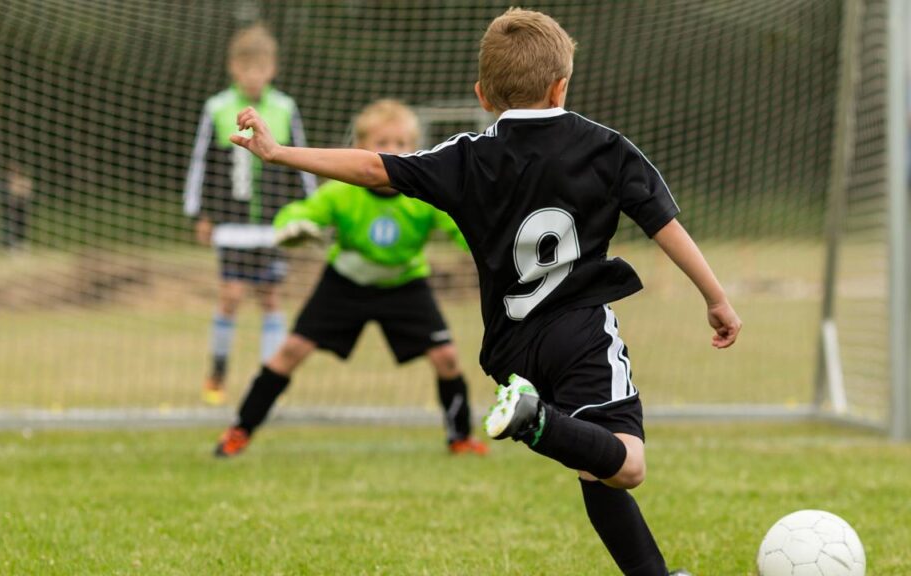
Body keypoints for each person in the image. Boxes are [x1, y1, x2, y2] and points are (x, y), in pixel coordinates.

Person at [226, 8, 742, 574]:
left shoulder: (466, 156)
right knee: (629, 464)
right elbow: (664, 225)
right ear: (561, 85)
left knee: (592, 463)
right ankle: (534, 420)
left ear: (482, 94)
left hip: (509, 345)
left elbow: (374, 168)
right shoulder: (606, 148)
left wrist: (278, 152)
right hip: (579, 332)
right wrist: (715, 298)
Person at [213, 100, 488, 458]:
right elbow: (297, 213)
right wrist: (292, 228)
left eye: (402, 143)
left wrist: (490, 246)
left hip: (404, 285)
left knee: (447, 357)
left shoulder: (425, 193)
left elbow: (464, 230)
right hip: (344, 283)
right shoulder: (341, 190)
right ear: (360, 147)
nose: (393, 151)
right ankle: (239, 431)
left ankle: (460, 438)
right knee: (291, 352)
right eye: (382, 142)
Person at [183, 23, 316, 405]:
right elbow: (202, 162)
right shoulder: (217, 108)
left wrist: (308, 211)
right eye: (246, 68)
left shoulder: (284, 108)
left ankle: (268, 381)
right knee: (231, 295)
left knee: (271, 297)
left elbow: (301, 160)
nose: (254, 75)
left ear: (272, 69)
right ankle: (217, 373)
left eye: (261, 68)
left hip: (272, 226)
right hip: (231, 225)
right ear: (234, 68)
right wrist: (200, 214)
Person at [0, 161, 33, 250]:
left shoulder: (23, 180)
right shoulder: (5, 182)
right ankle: (8, 245)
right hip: (9, 207)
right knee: (9, 225)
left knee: (21, 225)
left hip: (21, 206)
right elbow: (12, 192)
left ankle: (21, 244)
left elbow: (26, 191)